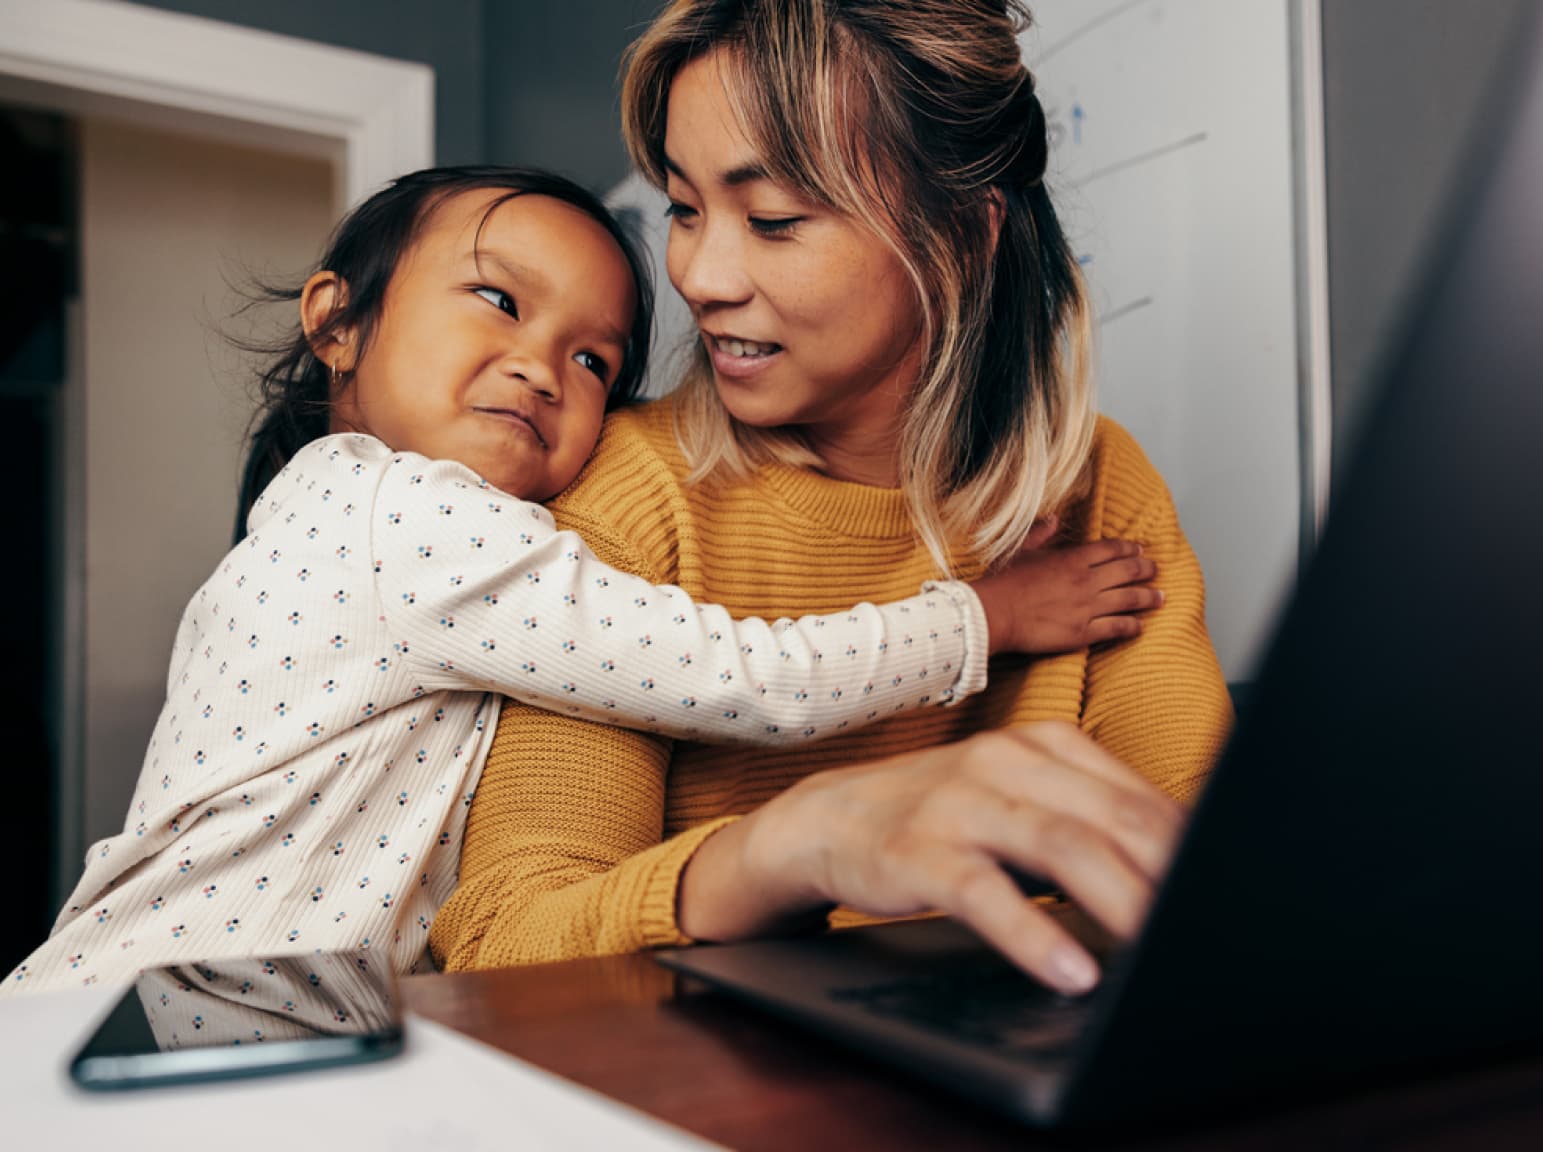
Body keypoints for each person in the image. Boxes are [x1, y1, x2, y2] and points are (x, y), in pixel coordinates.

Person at [2, 164, 1162, 997]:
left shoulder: (366, 521)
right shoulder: (393, 509)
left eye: (595, 358)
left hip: (238, 1024)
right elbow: (731, 670)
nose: (541, 367)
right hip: (131, 1016)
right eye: (500, 301)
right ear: (337, 323)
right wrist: (980, 619)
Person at [428, 0, 1235, 997]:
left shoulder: (1100, 483)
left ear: (962, 236)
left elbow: (1208, 879)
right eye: (683, 209)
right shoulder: (628, 500)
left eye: (772, 220)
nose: (700, 275)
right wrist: (792, 847)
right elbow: (505, 943)